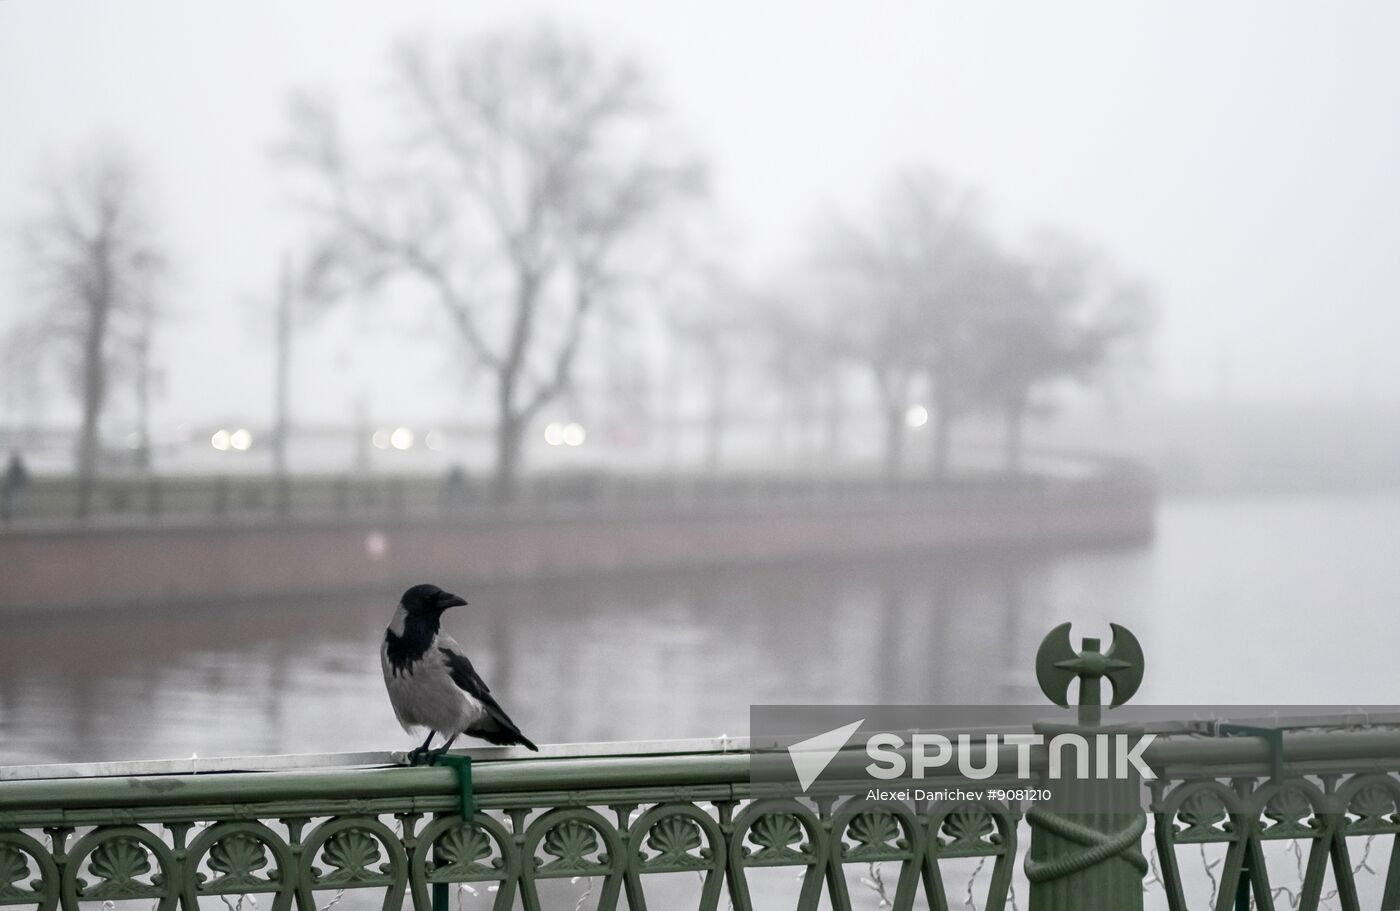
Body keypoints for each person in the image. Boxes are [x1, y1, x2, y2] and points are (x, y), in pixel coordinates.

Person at [1, 451, 30, 522]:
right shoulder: (13, 469)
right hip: (13, 488)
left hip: (17, 488)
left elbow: (23, 478)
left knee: (15, 503)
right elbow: (9, 479)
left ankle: (13, 517)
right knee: (13, 503)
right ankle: (11, 517)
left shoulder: (18, 469)